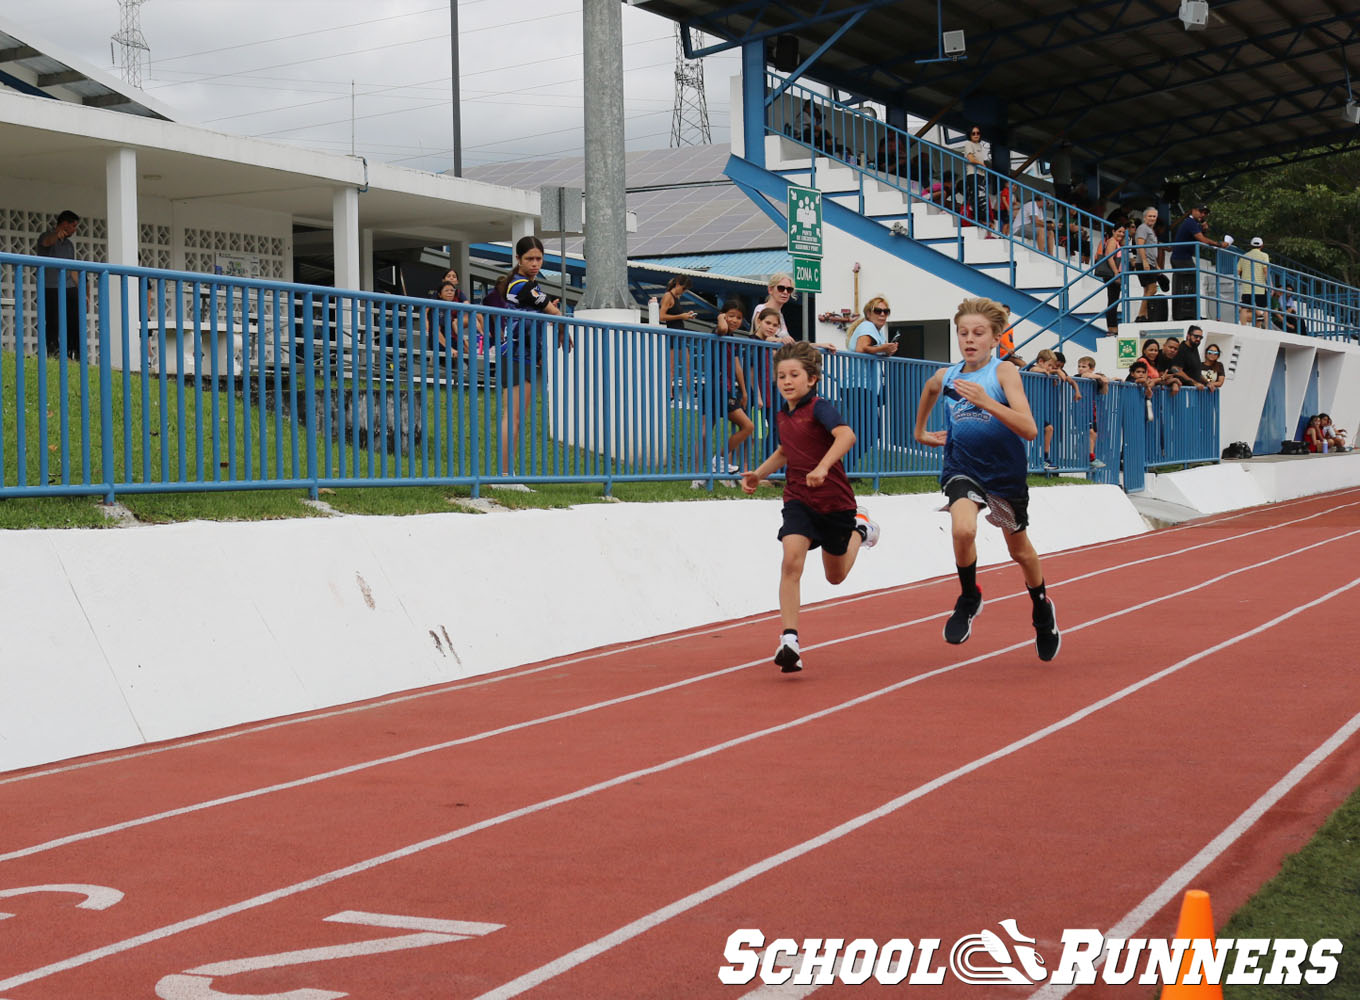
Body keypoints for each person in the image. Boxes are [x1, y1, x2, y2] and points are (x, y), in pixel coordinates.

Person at [913, 297, 1061, 661]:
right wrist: (920, 432)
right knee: (963, 529)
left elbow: (1028, 429)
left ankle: (1041, 607)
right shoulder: (948, 376)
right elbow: (930, 388)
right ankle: (969, 597)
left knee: (1019, 551)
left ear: (995, 338)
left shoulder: (1003, 373)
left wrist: (987, 402)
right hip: (962, 467)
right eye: (963, 333)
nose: (969, 339)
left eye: (978, 333)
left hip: (1004, 475)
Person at [741, 341, 880, 673]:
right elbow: (785, 452)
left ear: (812, 379)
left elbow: (846, 436)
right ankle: (790, 640)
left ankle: (861, 529)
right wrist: (758, 474)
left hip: (834, 503)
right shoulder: (782, 414)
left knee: (836, 577)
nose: (786, 382)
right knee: (791, 561)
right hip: (799, 500)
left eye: (793, 375)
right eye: (781, 376)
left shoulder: (821, 408)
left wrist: (823, 467)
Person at [498, 235, 563, 487]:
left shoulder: (529, 285)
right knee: (511, 417)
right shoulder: (522, 285)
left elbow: (545, 309)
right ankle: (503, 476)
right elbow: (553, 311)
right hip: (513, 355)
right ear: (518, 259)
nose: (535, 263)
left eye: (539, 258)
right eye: (529, 259)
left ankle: (507, 474)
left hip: (523, 356)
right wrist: (558, 324)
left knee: (516, 418)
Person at [693, 301, 755, 487]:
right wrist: (721, 317)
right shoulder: (720, 330)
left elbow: (737, 366)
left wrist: (743, 391)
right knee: (744, 427)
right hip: (715, 388)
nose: (734, 320)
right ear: (723, 315)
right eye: (731, 316)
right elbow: (721, 327)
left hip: (725, 388)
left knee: (743, 427)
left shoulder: (733, 337)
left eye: (738, 317)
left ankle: (710, 466)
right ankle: (704, 470)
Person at [843, 296, 899, 472]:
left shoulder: (876, 331)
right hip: (858, 386)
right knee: (868, 431)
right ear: (869, 313)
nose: (882, 314)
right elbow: (862, 348)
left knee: (867, 432)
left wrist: (885, 351)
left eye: (885, 311)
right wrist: (884, 349)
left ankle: (846, 469)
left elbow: (870, 350)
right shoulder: (867, 326)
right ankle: (844, 469)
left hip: (864, 387)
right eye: (878, 311)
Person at [34, 209, 82, 360]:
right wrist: (56, 235)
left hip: (69, 286)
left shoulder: (69, 245)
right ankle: (53, 350)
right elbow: (46, 242)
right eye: (73, 226)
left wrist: (81, 291)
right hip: (51, 286)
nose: (74, 229)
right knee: (53, 320)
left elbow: (72, 269)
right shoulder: (46, 236)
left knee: (74, 319)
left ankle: (73, 351)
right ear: (64, 224)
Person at [1169, 204, 1227, 321]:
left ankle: (1190, 312)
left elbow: (1200, 237)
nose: (1203, 215)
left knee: (1190, 283)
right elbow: (1202, 239)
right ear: (1194, 210)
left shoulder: (1194, 224)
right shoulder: (1190, 222)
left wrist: (1204, 230)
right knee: (1188, 283)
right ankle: (1186, 313)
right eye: (1201, 212)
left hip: (1184, 257)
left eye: (1205, 213)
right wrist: (1219, 244)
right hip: (1181, 258)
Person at [1076, 356, 1110, 468]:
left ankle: (1090, 456)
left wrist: (1105, 383)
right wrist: (1100, 377)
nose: (1080, 369)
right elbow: (1086, 375)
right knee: (1090, 432)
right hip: (1080, 410)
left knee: (1094, 433)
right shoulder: (1081, 377)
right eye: (1079, 366)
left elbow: (1104, 392)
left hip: (1092, 411)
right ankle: (1090, 457)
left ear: (1092, 368)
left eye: (1084, 366)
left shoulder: (1095, 380)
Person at [1094, 223, 1127, 334]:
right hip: (1112, 275)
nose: (1121, 234)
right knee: (1113, 301)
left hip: (1115, 274)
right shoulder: (1112, 241)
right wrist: (1116, 273)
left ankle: (1113, 327)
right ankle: (1112, 327)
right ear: (1113, 231)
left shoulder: (1117, 242)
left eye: (1123, 232)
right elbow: (1110, 258)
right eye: (1119, 231)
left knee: (1114, 300)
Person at [1131, 207, 1160, 322]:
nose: (1152, 218)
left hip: (1151, 262)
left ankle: (1145, 315)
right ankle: (1140, 315)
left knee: (1147, 290)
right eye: (1150, 216)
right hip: (1144, 263)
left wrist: (1156, 264)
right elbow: (1140, 245)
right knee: (1152, 289)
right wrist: (1144, 261)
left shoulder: (1150, 230)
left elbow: (1152, 249)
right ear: (1144, 217)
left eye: (1154, 216)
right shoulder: (1143, 228)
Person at [751, 275, 796, 343]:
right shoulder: (761, 309)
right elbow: (759, 337)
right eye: (781, 288)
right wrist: (781, 340)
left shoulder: (780, 314)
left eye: (789, 289)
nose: (785, 292)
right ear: (770, 290)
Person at [1237, 237, 1270, 328]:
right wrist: (1270, 285)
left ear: (1251, 245)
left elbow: (1238, 272)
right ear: (1262, 246)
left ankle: (1243, 327)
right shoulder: (1264, 255)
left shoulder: (1244, 256)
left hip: (1246, 287)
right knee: (1265, 308)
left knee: (1244, 307)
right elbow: (1265, 271)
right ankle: (1266, 328)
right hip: (1260, 287)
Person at [962, 126, 989, 222]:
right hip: (973, 174)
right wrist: (981, 164)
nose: (976, 135)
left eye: (978, 133)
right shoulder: (968, 144)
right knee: (977, 197)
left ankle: (982, 219)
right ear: (970, 135)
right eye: (973, 133)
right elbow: (971, 158)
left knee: (982, 198)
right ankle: (978, 219)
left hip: (981, 175)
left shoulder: (980, 146)